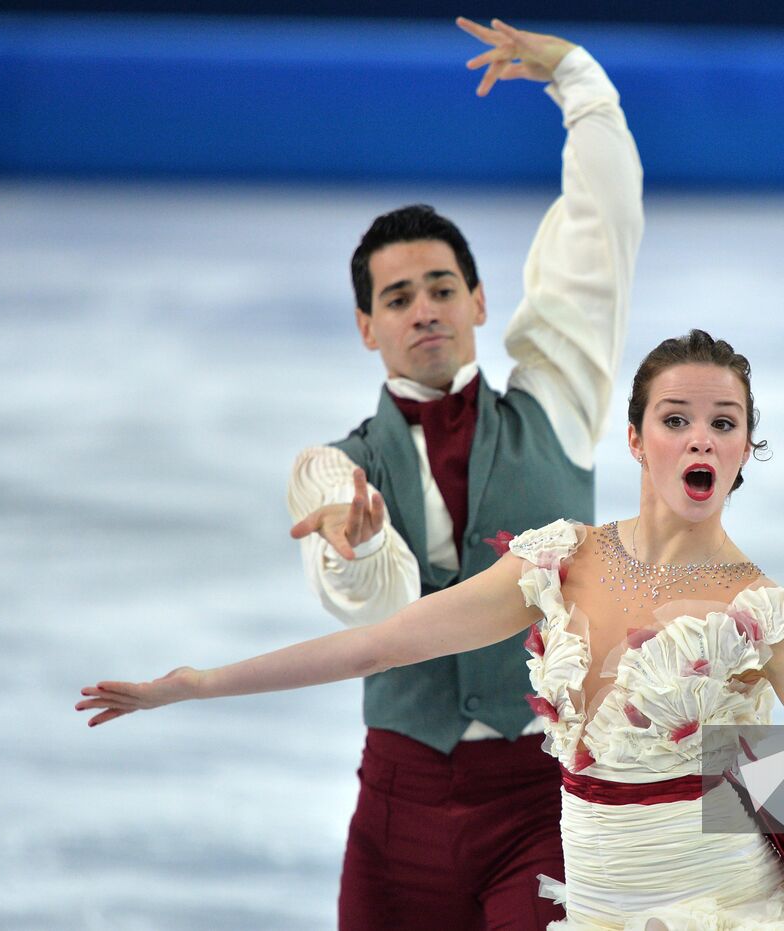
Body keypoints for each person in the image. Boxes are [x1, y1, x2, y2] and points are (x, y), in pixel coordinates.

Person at [80, 330, 784, 929]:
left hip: (716, 910)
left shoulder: (754, 612)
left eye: (724, 420)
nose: (700, 434)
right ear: (636, 436)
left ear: (747, 449)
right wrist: (197, 682)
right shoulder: (560, 560)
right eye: (677, 416)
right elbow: (380, 643)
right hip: (590, 910)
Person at [280, 16, 642, 930]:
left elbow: (599, 240)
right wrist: (354, 542)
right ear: (367, 325)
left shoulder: (555, 405)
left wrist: (581, 83)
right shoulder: (342, 469)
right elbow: (372, 604)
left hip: (543, 801)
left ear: (480, 301)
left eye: (443, 287)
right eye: (398, 297)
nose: (425, 309)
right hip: (396, 811)